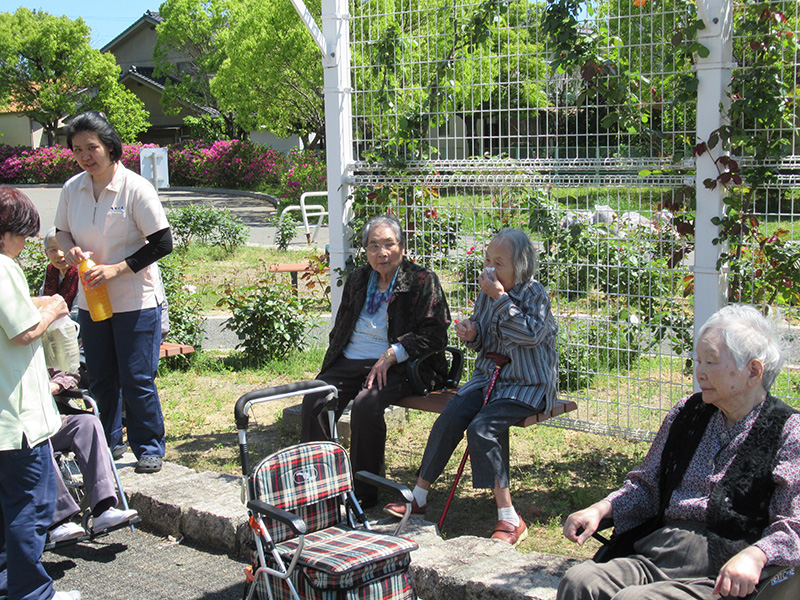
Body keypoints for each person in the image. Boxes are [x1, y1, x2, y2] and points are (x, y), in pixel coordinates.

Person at [558, 304, 800, 600]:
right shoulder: (687, 414)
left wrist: (757, 555)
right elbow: (647, 486)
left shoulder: (787, 432)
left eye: (711, 362)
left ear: (753, 371)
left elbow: (794, 526)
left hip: (722, 573)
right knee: (580, 581)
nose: (700, 372)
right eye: (698, 360)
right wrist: (601, 509)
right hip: (659, 551)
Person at [383, 228, 558, 547]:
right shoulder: (488, 292)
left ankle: (510, 518)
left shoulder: (533, 293)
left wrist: (500, 299)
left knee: (482, 428)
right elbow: (485, 338)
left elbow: (531, 335)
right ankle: (419, 497)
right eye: (488, 260)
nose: (490, 268)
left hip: (526, 384)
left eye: (499, 263)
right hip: (488, 378)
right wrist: (472, 333)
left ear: (520, 266)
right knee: (450, 417)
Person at [300, 214, 451, 507]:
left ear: (402, 247)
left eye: (389, 244)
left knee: (366, 406)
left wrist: (392, 354)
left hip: (400, 366)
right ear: (366, 250)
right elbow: (341, 326)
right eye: (374, 246)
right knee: (316, 399)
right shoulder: (358, 279)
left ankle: (364, 491)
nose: (382, 253)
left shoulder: (421, 280)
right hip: (350, 359)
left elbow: (435, 335)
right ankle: (319, 483)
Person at [54, 111, 173, 474]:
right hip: (92, 301)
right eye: (77, 150)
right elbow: (61, 232)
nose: (85, 156)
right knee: (101, 377)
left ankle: (149, 446)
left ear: (109, 146)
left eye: (92, 147)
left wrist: (116, 269)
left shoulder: (135, 188)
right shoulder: (72, 188)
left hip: (135, 300)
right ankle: (107, 442)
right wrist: (69, 250)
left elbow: (162, 243)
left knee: (137, 378)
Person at [0, 186, 81, 600]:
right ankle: (32, 593)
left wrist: (35, 301)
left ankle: (7, 583)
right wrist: (52, 308)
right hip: (17, 420)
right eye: (22, 236)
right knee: (30, 507)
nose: (25, 244)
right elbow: (24, 331)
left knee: (6, 509)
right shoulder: (2, 266)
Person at [46, 369, 138, 544]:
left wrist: (55, 385)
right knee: (39, 443)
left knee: (88, 423)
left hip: (49, 422)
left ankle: (103, 509)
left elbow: (69, 372)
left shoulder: (31, 355)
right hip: (16, 432)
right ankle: (58, 521)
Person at [41, 228, 79, 312]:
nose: (59, 254)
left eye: (63, 248)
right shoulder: (51, 270)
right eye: (53, 250)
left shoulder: (81, 272)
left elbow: (76, 313)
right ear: (47, 254)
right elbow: (42, 300)